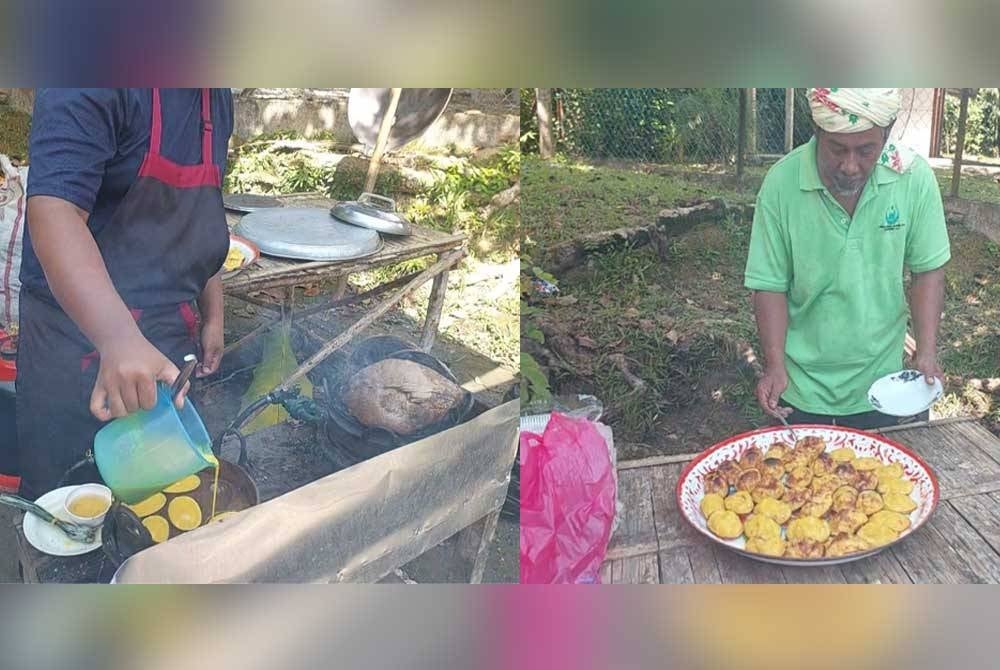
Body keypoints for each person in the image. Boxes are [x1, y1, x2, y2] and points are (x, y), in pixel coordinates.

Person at [15, 88, 234, 499]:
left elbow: (199, 212)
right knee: (64, 505)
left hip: (166, 341)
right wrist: (119, 339)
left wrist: (214, 314)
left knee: (159, 495)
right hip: (75, 346)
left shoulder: (214, 96)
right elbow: (54, 212)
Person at [745, 88, 950, 430]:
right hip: (801, 390)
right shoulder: (781, 183)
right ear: (817, 132)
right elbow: (769, 285)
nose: (850, 166)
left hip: (888, 387)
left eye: (866, 150)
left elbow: (928, 271)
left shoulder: (913, 178)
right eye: (837, 149)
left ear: (887, 135)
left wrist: (925, 351)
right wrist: (774, 365)